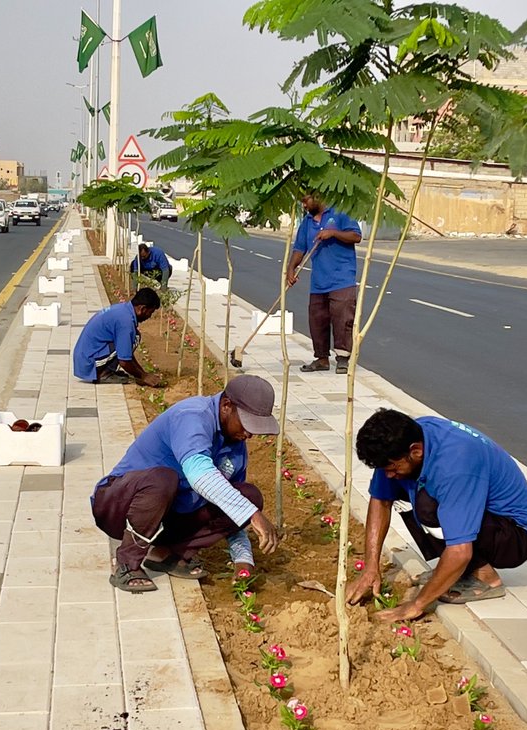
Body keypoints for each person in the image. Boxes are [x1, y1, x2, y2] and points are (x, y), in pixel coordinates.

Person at [346, 409, 527, 622]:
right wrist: (370, 567)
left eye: (392, 467)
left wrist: (416, 604)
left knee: (427, 507)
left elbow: (460, 551)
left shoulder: (455, 463)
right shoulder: (408, 438)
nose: (388, 474)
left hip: (515, 534)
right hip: (484, 516)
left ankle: (486, 577)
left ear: (416, 451)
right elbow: (380, 499)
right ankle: (454, 572)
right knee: (408, 490)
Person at [92, 375, 282, 593]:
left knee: (248, 496)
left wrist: (243, 561)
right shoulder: (193, 416)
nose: (249, 434)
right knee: (163, 480)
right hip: (118, 506)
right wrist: (252, 514)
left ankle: (165, 554)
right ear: (226, 406)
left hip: (165, 519)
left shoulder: (236, 446)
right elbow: (199, 474)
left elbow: (232, 508)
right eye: (247, 423)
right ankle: (127, 563)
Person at [286, 192, 362, 374]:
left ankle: (343, 358)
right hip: (319, 280)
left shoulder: (340, 212)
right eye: (302, 202)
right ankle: (321, 359)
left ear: (317, 196)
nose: (304, 205)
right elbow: (299, 248)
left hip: (342, 278)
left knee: (342, 318)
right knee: (317, 320)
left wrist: (333, 233)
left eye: (306, 201)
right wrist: (291, 269)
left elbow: (356, 236)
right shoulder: (306, 223)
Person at [72, 287, 163, 386]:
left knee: (131, 339)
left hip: (87, 355)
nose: (150, 316)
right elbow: (124, 360)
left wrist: (142, 374)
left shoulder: (124, 310)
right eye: (151, 312)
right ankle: (103, 374)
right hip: (88, 362)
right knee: (134, 338)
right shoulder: (126, 322)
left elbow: (127, 352)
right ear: (142, 309)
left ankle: (106, 370)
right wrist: (143, 376)